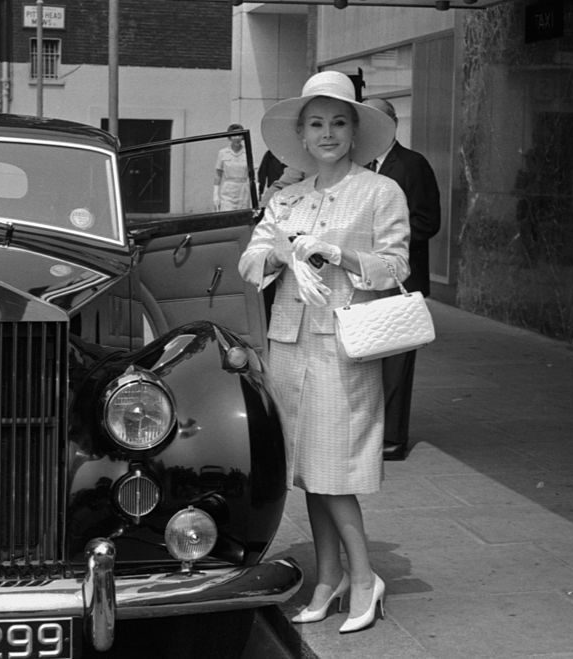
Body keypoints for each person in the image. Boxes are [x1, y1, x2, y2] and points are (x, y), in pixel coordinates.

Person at [238, 71, 409, 634]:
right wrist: (284, 256)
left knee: (335, 468)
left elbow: (396, 266)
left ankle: (364, 578)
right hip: (289, 345)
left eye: (338, 121)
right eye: (317, 124)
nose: (328, 132)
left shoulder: (380, 192)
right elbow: (248, 262)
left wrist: (339, 253)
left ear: (354, 131)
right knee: (309, 470)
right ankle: (327, 577)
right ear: (303, 137)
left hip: (345, 346)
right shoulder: (285, 198)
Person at [363, 98, 441, 462]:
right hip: (362, 281)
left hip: (401, 282)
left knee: (395, 366)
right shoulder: (358, 166)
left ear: (392, 124)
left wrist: (385, 239)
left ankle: (392, 441)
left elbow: (428, 222)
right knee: (365, 363)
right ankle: (366, 435)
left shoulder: (413, 165)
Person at [212, 123, 251, 211]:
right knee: (227, 217)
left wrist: (255, 194)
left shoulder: (248, 152)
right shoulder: (222, 153)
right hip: (227, 190)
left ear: (243, 136)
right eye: (234, 135)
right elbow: (218, 175)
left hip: (243, 190)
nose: (237, 137)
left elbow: (253, 175)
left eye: (240, 135)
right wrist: (215, 194)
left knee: (242, 218)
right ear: (229, 137)